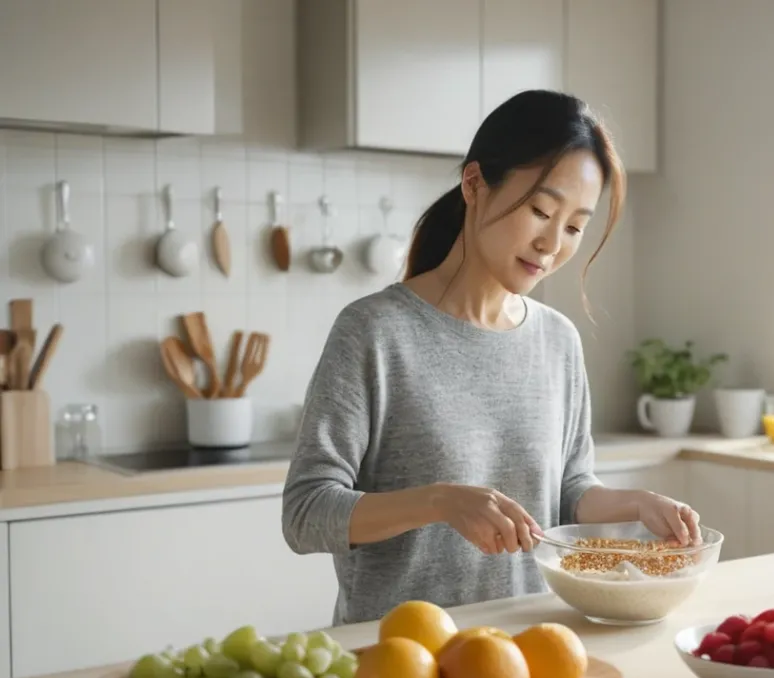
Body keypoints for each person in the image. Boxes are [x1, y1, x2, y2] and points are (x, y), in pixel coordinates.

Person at [281, 89, 702, 626]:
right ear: (475, 184)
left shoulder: (558, 340)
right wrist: (439, 502)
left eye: (574, 226)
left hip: (529, 648)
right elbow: (306, 514)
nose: (553, 243)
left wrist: (635, 504)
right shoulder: (374, 332)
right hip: (400, 662)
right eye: (540, 211)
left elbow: (568, 491)